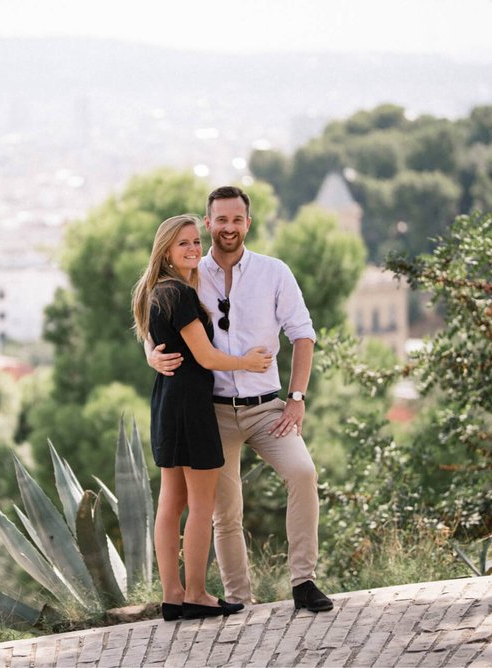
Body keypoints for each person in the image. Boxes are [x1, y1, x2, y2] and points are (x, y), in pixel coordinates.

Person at [147, 186, 334, 612]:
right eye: (220, 220)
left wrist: (296, 397)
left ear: (248, 223)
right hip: (210, 411)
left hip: (269, 408)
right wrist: (151, 355)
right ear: (208, 222)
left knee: (303, 473)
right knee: (223, 511)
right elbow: (157, 319)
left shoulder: (274, 272)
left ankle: (304, 581)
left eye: (237, 219)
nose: (228, 228)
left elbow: (303, 334)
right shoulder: (191, 271)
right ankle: (238, 598)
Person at [132, 214, 272, 621]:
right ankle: (196, 593)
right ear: (167, 251)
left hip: (166, 401)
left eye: (196, 241)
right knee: (200, 503)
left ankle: (172, 595)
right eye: (184, 244)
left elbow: (152, 339)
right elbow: (206, 356)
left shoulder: (155, 291)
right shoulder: (180, 293)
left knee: (171, 502)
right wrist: (248, 361)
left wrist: (150, 355)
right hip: (192, 405)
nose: (193, 248)